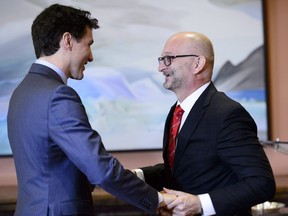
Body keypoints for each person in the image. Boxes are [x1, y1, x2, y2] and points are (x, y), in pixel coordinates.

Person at [7, 4, 176, 215]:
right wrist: (157, 200)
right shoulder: (58, 96)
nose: (91, 56)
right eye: (89, 44)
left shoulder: (22, 92)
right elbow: (101, 170)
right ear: (68, 40)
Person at [133, 32, 276, 216]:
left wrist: (200, 204)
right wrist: (136, 175)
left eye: (168, 59)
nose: (161, 67)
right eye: (161, 59)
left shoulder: (228, 114)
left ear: (197, 64)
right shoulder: (176, 112)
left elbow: (261, 183)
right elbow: (182, 169)